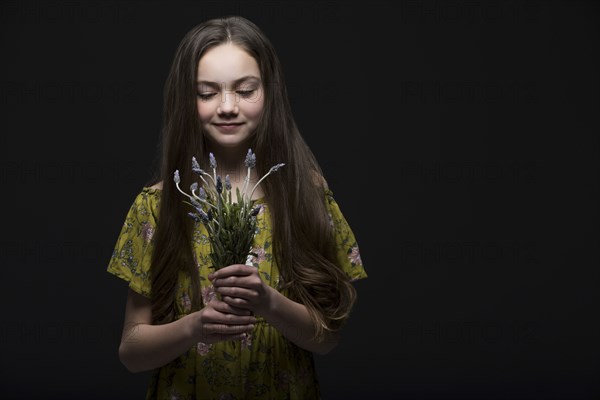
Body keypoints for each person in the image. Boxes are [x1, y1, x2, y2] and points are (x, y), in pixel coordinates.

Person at [107, 15, 367, 400]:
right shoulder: (158, 206)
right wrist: (194, 327)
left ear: (270, 92)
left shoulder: (305, 194)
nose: (227, 106)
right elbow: (131, 351)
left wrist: (270, 304)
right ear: (186, 99)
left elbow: (327, 338)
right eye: (207, 92)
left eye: (245, 90)